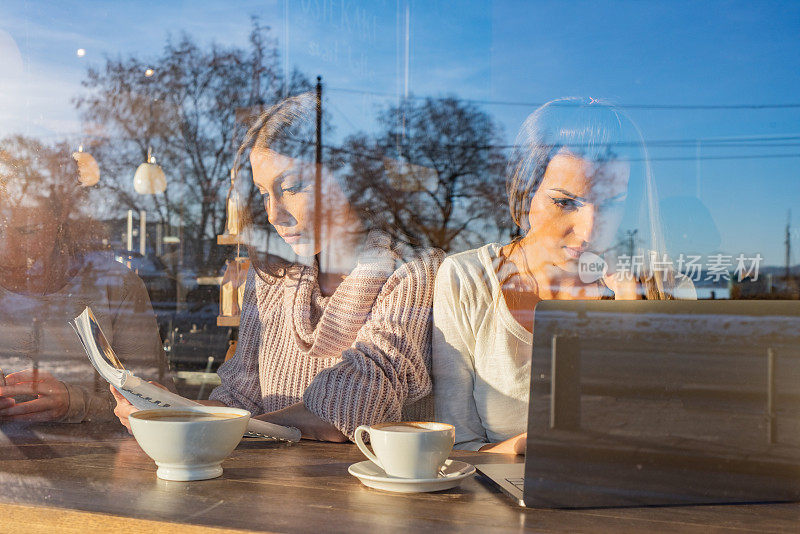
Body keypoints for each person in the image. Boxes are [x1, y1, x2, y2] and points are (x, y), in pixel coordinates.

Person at [112, 93, 444, 441]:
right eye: (263, 193)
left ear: (346, 180)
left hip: (373, 488)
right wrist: (171, 411)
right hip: (272, 488)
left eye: (292, 187)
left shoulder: (413, 273)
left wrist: (203, 421)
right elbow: (240, 397)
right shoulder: (271, 278)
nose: (273, 214)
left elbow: (350, 408)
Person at [432, 98, 694, 453]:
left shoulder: (664, 289)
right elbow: (454, 443)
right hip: (503, 498)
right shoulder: (469, 279)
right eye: (565, 202)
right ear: (526, 193)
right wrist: (522, 450)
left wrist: (631, 317)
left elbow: (677, 435)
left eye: (613, 203)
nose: (589, 231)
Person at [0, 137, 169, 423]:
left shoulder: (116, 287)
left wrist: (77, 404)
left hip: (103, 462)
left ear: (61, 218)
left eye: (28, 232)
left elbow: (162, 404)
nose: (7, 247)